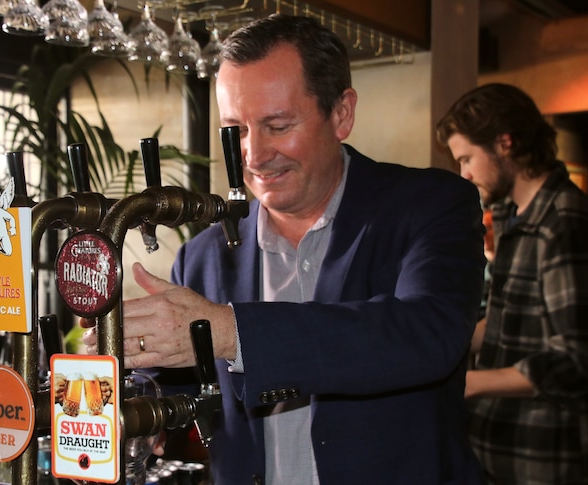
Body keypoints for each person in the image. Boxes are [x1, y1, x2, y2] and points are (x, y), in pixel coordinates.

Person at [82, 14, 486, 484]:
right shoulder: (205, 255)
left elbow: (426, 334)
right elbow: (187, 386)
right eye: (235, 130)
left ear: (341, 114)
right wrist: (138, 398)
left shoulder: (429, 205)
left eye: (277, 125)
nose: (254, 156)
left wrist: (234, 333)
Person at [436, 82, 588, 484]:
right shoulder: (515, 216)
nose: (465, 174)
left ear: (505, 143)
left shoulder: (567, 223)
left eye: (468, 158)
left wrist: (468, 383)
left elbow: (579, 359)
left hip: (559, 458)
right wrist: (437, 344)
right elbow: (507, 321)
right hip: (512, 451)